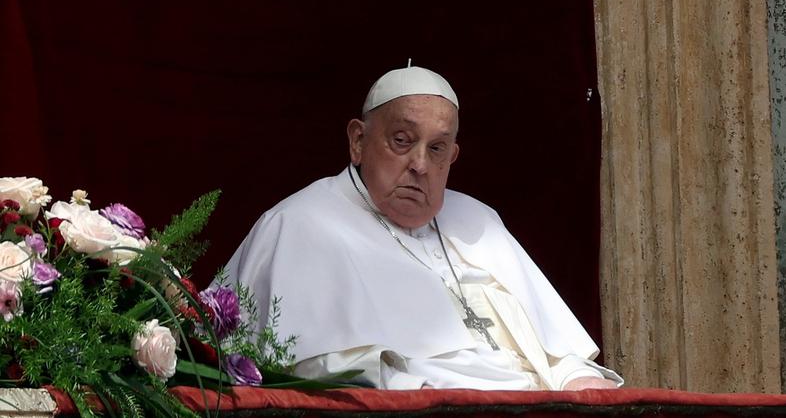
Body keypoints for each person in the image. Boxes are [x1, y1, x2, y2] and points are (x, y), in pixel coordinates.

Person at [224, 65, 622, 390]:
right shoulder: (299, 225)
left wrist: (575, 377)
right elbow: (316, 366)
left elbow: (554, 350)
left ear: (453, 156)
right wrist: (419, 391)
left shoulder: (479, 221)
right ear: (358, 141)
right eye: (402, 140)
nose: (419, 164)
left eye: (437, 149)